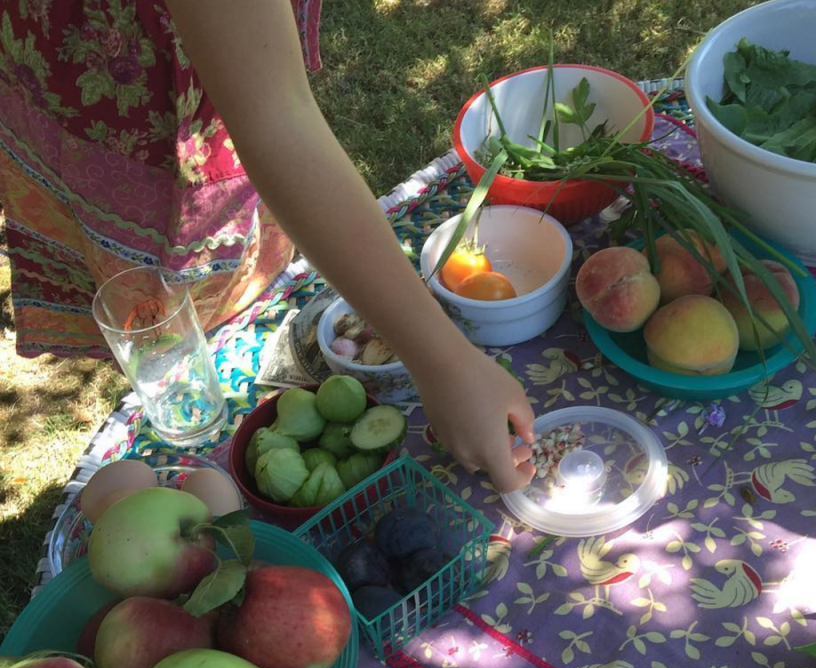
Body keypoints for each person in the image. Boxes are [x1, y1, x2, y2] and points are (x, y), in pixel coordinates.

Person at [0, 0, 536, 493]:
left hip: (126, 86)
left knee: (200, 313)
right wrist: (447, 366)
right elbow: (277, 121)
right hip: (114, 121)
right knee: (163, 329)